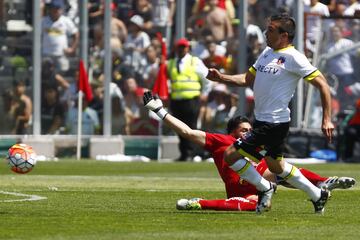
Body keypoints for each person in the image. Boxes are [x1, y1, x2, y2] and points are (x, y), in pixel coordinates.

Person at [206, 13, 335, 214]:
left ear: (284, 35)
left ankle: (265, 188)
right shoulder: (267, 52)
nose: (266, 33)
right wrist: (221, 77)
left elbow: (323, 86)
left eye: (272, 30)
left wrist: (327, 119)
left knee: (230, 156)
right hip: (263, 121)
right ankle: (318, 195)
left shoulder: (295, 58)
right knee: (277, 167)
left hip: (273, 123)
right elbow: (247, 80)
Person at [143, 92, 355, 212]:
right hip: (239, 191)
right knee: (252, 202)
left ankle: (322, 182)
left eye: (249, 131)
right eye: (243, 131)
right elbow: (187, 131)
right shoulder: (222, 141)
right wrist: (160, 111)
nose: (247, 134)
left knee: (279, 169)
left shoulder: (256, 144)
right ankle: (198, 203)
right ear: (232, 132)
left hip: (262, 185)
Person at [167, 37, 212, 161]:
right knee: (179, 127)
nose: (181, 49)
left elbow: (206, 78)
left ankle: (191, 153)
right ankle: (184, 153)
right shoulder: (170, 63)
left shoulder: (194, 61)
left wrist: (205, 93)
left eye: (183, 47)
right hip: (176, 100)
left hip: (191, 100)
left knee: (191, 127)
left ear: (187, 48)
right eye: (179, 47)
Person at [41, 0, 79, 73]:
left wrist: (72, 49)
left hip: (61, 55)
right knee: (46, 74)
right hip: (47, 54)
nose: (56, 11)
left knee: (63, 73)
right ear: (50, 9)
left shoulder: (65, 20)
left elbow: (76, 34)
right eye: (54, 8)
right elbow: (38, 36)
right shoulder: (43, 21)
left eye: (58, 8)